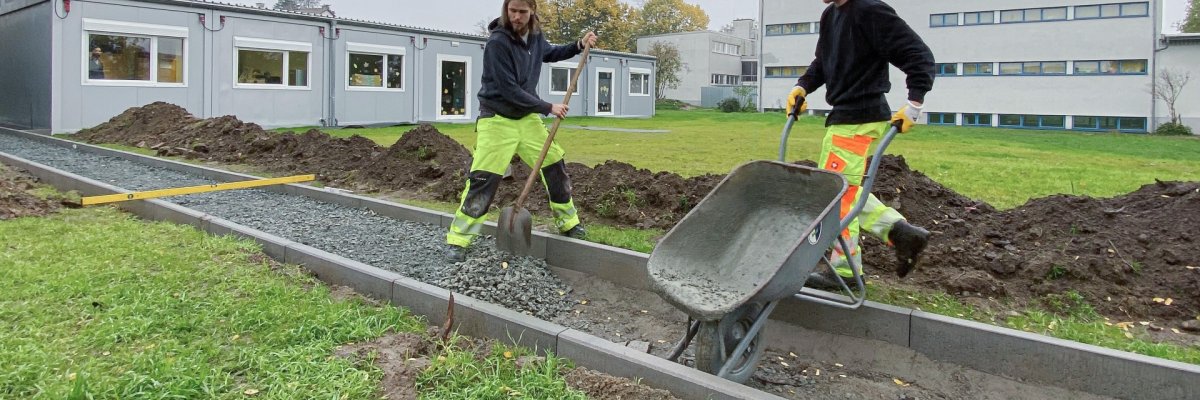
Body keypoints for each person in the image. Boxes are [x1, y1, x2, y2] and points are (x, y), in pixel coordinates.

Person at [787, 0, 933, 288]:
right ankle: (900, 232)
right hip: (843, 118)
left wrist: (914, 104)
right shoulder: (830, 15)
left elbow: (919, 55)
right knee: (845, 190)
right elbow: (822, 62)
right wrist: (802, 86)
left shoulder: (869, 10)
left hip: (860, 119)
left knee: (835, 196)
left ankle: (846, 271)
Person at [444, 0, 598, 262]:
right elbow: (508, 89)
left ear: (532, 11)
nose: (516, 16)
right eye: (512, 10)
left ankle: (569, 223)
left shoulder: (535, 36)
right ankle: (458, 240)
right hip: (497, 119)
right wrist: (548, 107)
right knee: (483, 178)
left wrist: (578, 45)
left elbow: (549, 53)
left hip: (526, 119)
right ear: (506, 9)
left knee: (554, 164)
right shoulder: (497, 43)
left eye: (522, 12)